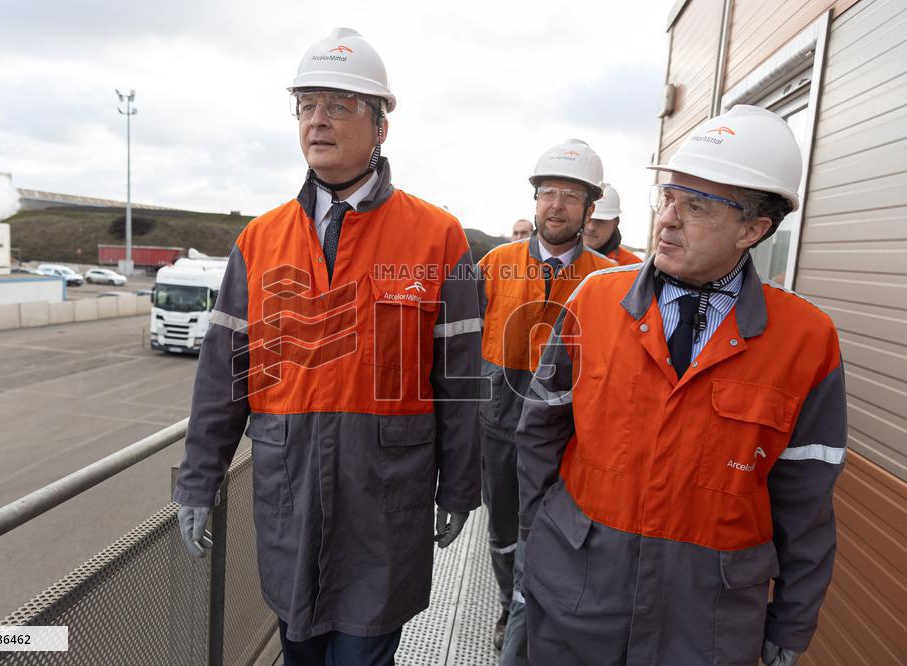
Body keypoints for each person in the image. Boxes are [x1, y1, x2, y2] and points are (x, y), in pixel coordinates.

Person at [173, 27, 482, 665]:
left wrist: (460, 487)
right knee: (298, 646)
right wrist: (197, 482)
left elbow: (458, 377)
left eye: (339, 106)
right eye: (307, 105)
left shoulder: (437, 237)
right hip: (291, 489)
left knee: (365, 653)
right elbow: (222, 376)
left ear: (380, 128)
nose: (319, 121)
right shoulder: (261, 241)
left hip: (384, 499)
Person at [516, 105, 846, 666]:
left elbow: (806, 501)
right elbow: (538, 441)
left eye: (696, 206)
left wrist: (791, 623)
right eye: (669, 196)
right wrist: (533, 560)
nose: (668, 219)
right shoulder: (594, 302)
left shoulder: (807, 341)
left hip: (706, 625)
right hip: (575, 601)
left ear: (754, 229)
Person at [478, 139, 615, 660]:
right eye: (547, 192)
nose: (555, 204)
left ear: (589, 208)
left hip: (570, 433)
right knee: (505, 530)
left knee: (564, 530)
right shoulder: (495, 263)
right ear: (535, 201)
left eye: (570, 195)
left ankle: (543, 613)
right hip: (499, 428)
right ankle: (507, 603)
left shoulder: (606, 279)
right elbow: (464, 350)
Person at [581, 183, 641, 265]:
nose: (591, 227)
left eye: (600, 220)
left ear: (615, 223)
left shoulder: (633, 266)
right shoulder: (561, 257)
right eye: (588, 217)